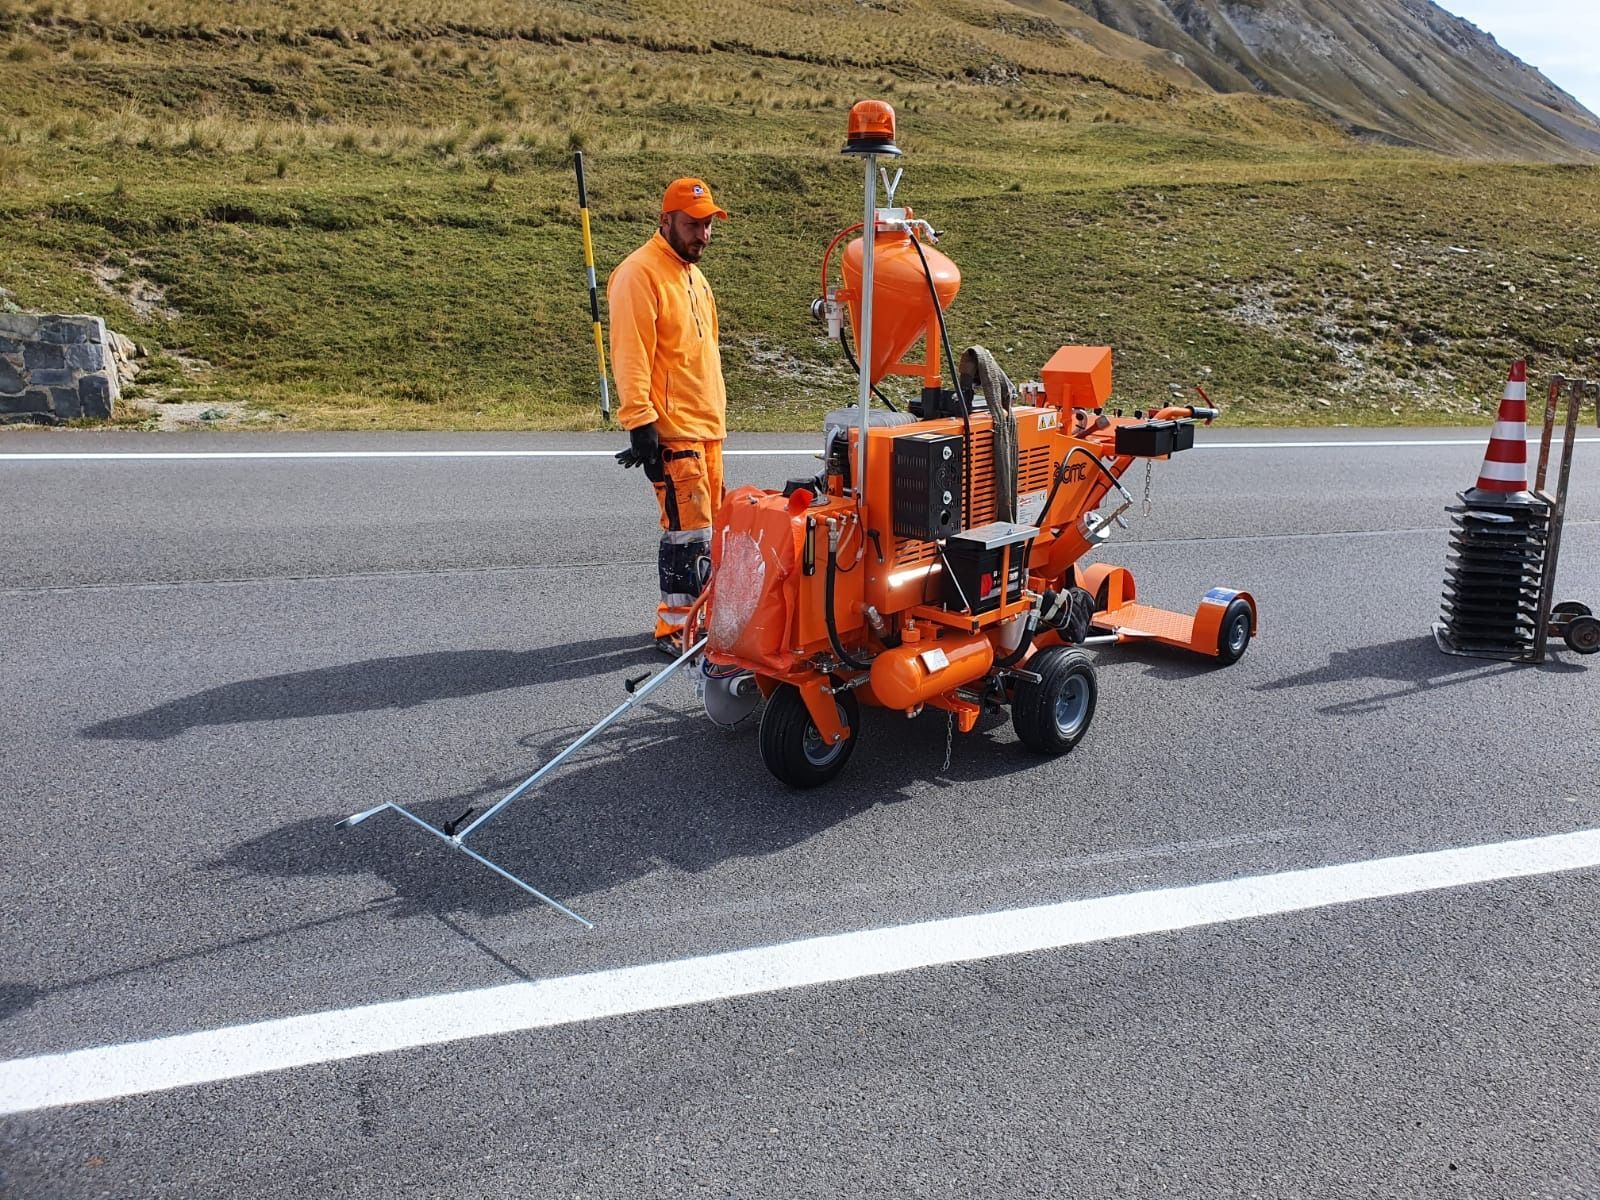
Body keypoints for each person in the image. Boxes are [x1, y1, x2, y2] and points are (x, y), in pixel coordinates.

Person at [610, 177, 729, 656]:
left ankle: (701, 619)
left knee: (711, 531)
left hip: (707, 428)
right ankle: (676, 628)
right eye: (692, 225)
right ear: (666, 221)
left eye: (706, 225)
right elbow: (631, 353)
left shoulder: (694, 276)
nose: (702, 235)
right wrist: (641, 423)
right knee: (686, 530)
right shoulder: (640, 273)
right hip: (674, 429)